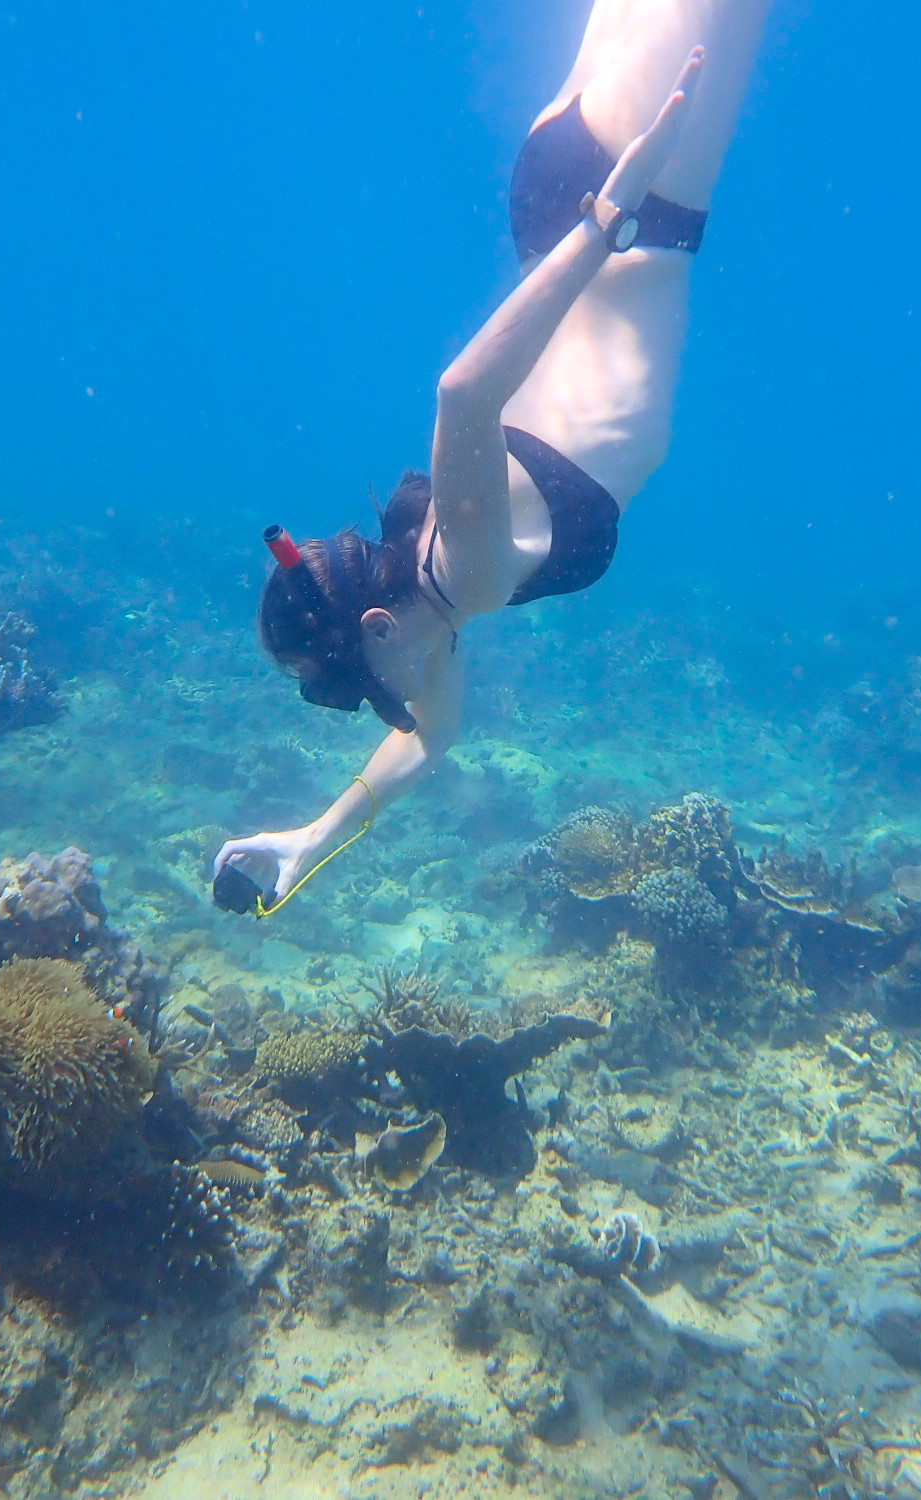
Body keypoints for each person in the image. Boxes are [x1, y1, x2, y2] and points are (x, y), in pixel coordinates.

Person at [215, 0, 773, 907]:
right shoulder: (440, 587)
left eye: (352, 692)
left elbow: (463, 394)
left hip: (634, 206)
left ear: (378, 629)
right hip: (572, 197)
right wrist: (309, 841)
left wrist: (609, 222)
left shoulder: (465, 572)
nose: (373, 708)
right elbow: (428, 742)